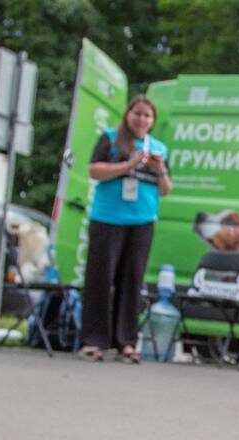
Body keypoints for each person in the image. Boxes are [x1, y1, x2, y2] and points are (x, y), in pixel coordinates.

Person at [78, 95, 172, 364]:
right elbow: (94, 171)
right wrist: (129, 164)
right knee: (100, 279)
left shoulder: (158, 148)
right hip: (108, 218)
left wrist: (160, 169)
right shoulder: (110, 139)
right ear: (127, 114)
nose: (142, 119)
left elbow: (165, 190)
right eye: (137, 114)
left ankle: (126, 342)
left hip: (142, 221)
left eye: (147, 116)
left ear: (153, 121)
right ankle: (93, 340)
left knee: (132, 282)